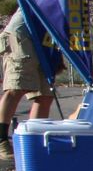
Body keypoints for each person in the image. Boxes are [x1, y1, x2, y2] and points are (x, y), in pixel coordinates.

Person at [0, 8, 55, 160]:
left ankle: (33, 141)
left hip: (45, 38)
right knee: (17, 86)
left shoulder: (75, 2)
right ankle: (1, 139)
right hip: (23, 34)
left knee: (45, 95)